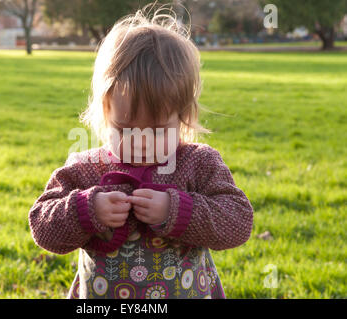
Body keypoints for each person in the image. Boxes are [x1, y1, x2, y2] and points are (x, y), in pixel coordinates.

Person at [28, 4, 254, 299]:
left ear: (183, 116)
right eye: (124, 128)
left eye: (158, 130)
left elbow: (238, 222)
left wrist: (177, 210)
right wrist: (87, 209)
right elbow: (43, 226)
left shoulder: (198, 163)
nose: (141, 140)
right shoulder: (86, 168)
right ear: (105, 112)